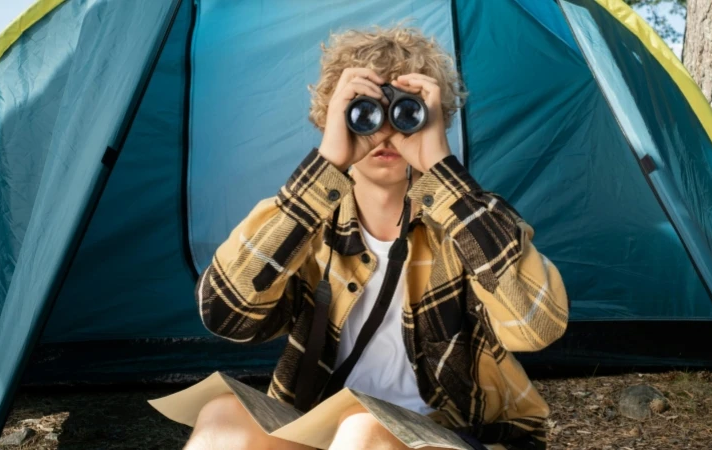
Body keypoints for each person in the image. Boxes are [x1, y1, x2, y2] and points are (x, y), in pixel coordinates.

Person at [185, 25, 569, 450]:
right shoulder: (304, 221)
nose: (385, 131)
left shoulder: (473, 219)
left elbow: (537, 328)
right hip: (323, 428)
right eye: (364, 110)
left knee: (363, 427)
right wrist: (327, 164)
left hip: (451, 435)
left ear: (437, 118)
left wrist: (441, 169)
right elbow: (225, 315)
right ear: (328, 117)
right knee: (221, 414)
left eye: (407, 111)